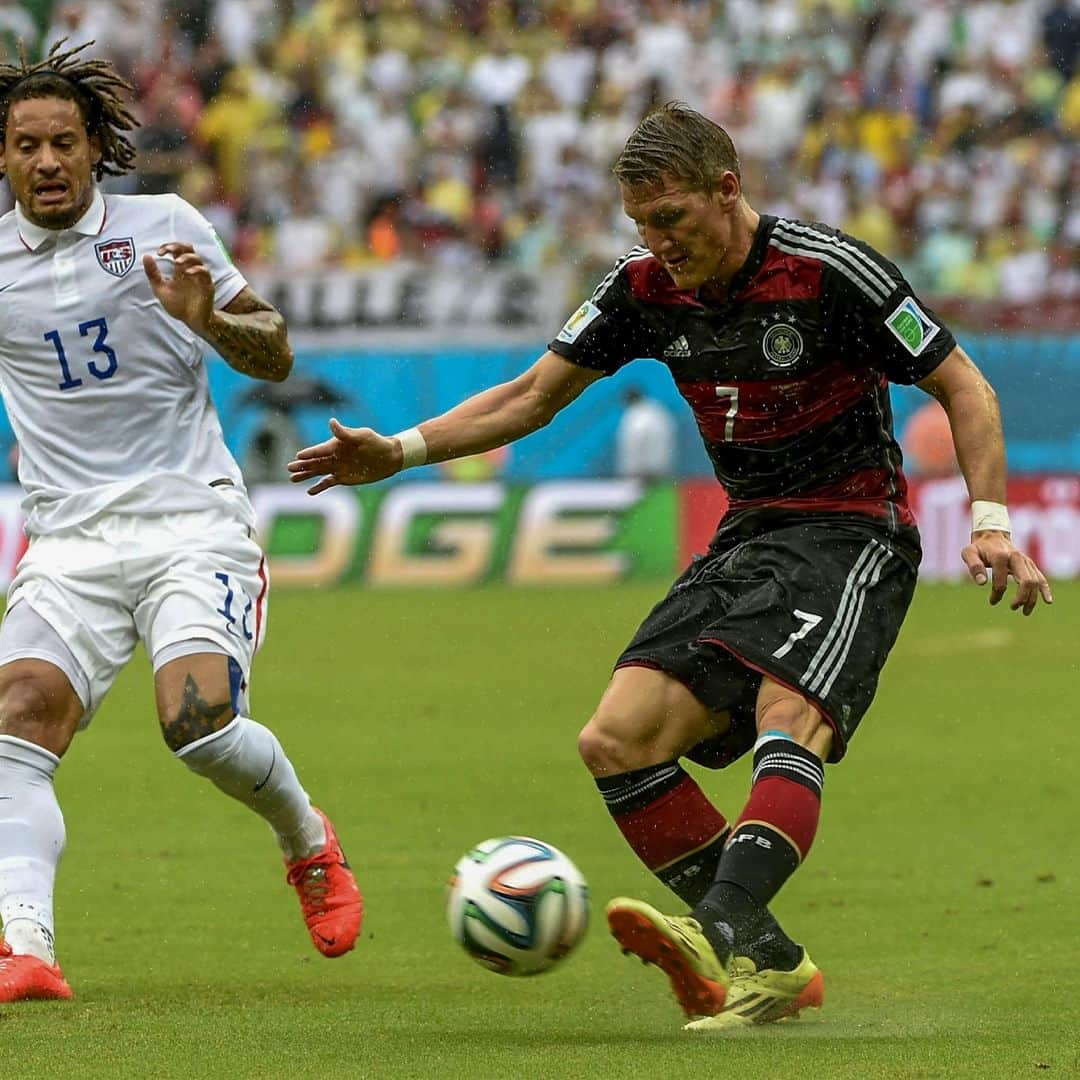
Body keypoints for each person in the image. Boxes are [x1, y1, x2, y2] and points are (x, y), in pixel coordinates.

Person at [288, 102, 1052, 1032]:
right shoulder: (644, 288)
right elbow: (532, 395)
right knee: (616, 740)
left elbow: (960, 380)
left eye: (672, 220)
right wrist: (398, 450)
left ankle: (721, 924)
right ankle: (769, 964)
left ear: (727, 191)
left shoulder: (829, 270)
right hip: (748, 537)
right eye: (641, 226)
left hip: (853, 533)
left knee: (788, 713)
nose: (657, 243)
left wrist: (991, 518)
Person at [0, 41, 362, 1003]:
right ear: (3, 158)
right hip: (68, 546)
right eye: (26, 145)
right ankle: (26, 947)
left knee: (197, 725)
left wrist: (209, 321)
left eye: (63, 143)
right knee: (14, 724)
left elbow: (274, 353)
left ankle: (306, 841)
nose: (46, 162)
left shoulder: (165, 225)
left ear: (94, 149)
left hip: (189, 524)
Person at [614, 385, 677, 482]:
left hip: (641, 470)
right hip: (661, 465)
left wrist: (632, 467)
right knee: (657, 494)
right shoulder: (657, 411)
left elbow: (635, 442)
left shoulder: (636, 416)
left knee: (641, 494)